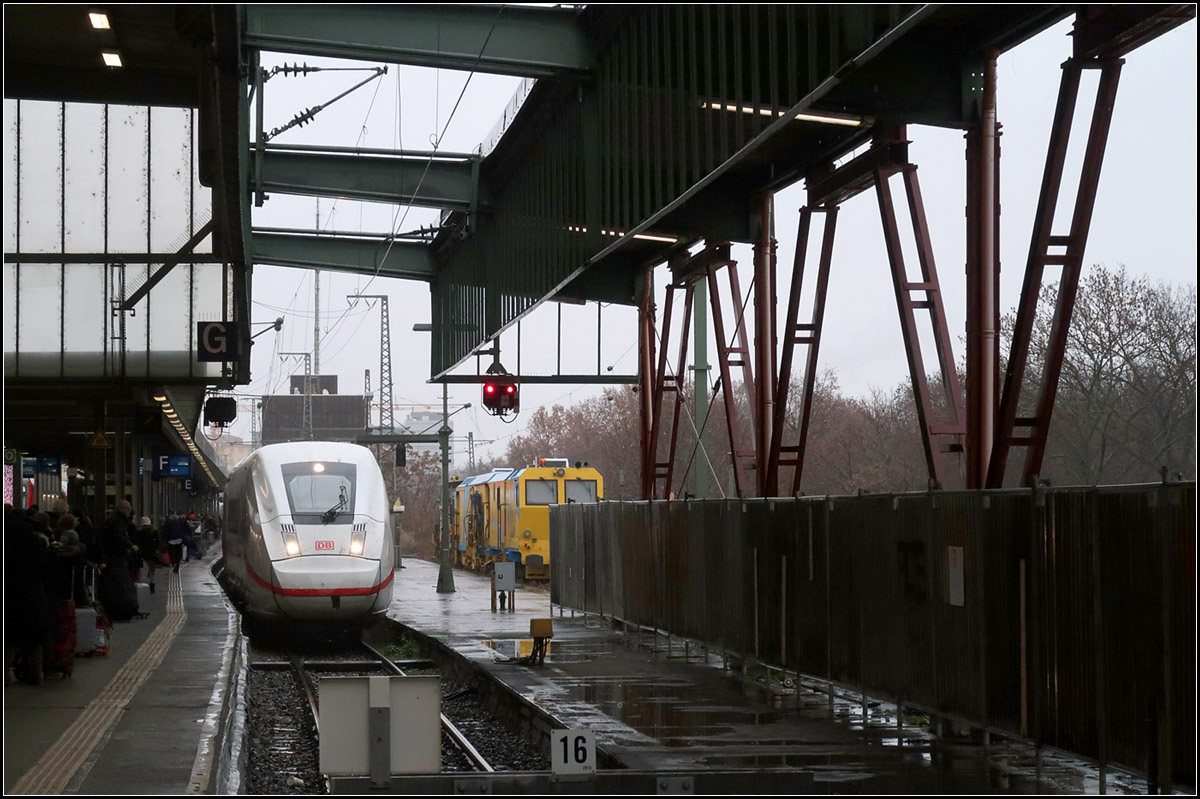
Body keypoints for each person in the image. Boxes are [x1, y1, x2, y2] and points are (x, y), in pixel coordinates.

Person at [5, 507, 54, 684]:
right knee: (35, 642)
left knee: (8, 640)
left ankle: (5, 676)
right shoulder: (36, 546)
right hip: (34, 597)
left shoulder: (8, 549)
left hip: (10, 598)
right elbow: (47, 572)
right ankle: (37, 675)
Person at [134, 516, 163, 593]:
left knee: (143, 569)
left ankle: (144, 584)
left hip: (142, 554)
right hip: (152, 554)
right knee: (152, 571)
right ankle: (152, 585)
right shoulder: (154, 531)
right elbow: (158, 542)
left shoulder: (138, 532)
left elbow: (136, 542)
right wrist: (157, 550)